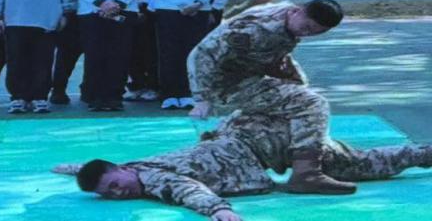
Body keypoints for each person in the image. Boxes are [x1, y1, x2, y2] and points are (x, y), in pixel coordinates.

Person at [53, 110, 432, 221]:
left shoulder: (154, 178)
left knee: (369, 163)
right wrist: (73, 167)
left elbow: (188, 191)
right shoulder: (134, 166)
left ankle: (424, 153)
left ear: (121, 169)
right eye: (110, 195)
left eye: (115, 185)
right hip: (254, 140)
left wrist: (218, 210)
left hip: (274, 146)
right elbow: (98, 170)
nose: (120, 193)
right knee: (364, 160)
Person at [188, 0, 356, 194]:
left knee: (299, 89)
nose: (307, 33)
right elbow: (200, 54)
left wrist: (290, 74)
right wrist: (201, 98)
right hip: (227, 86)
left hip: (253, 72)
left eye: (316, 32)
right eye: (307, 27)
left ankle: (224, 136)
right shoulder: (252, 31)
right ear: (297, 11)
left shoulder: (288, 16)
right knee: (311, 102)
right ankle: (306, 174)